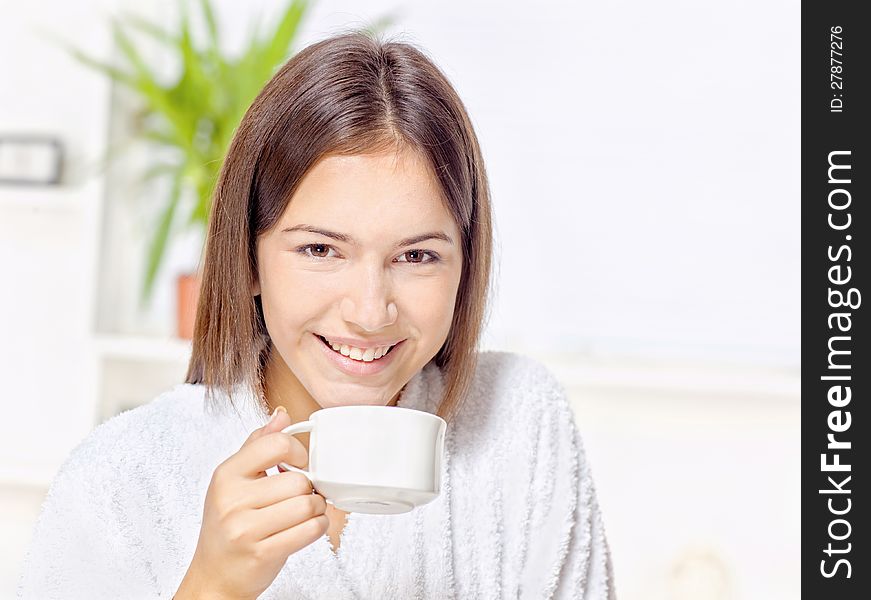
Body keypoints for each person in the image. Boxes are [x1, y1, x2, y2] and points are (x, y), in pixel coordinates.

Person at [17, 31, 616, 599]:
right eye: (321, 250)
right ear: (249, 259)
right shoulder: (123, 477)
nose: (369, 311)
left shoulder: (516, 424)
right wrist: (212, 586)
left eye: (416, 255)